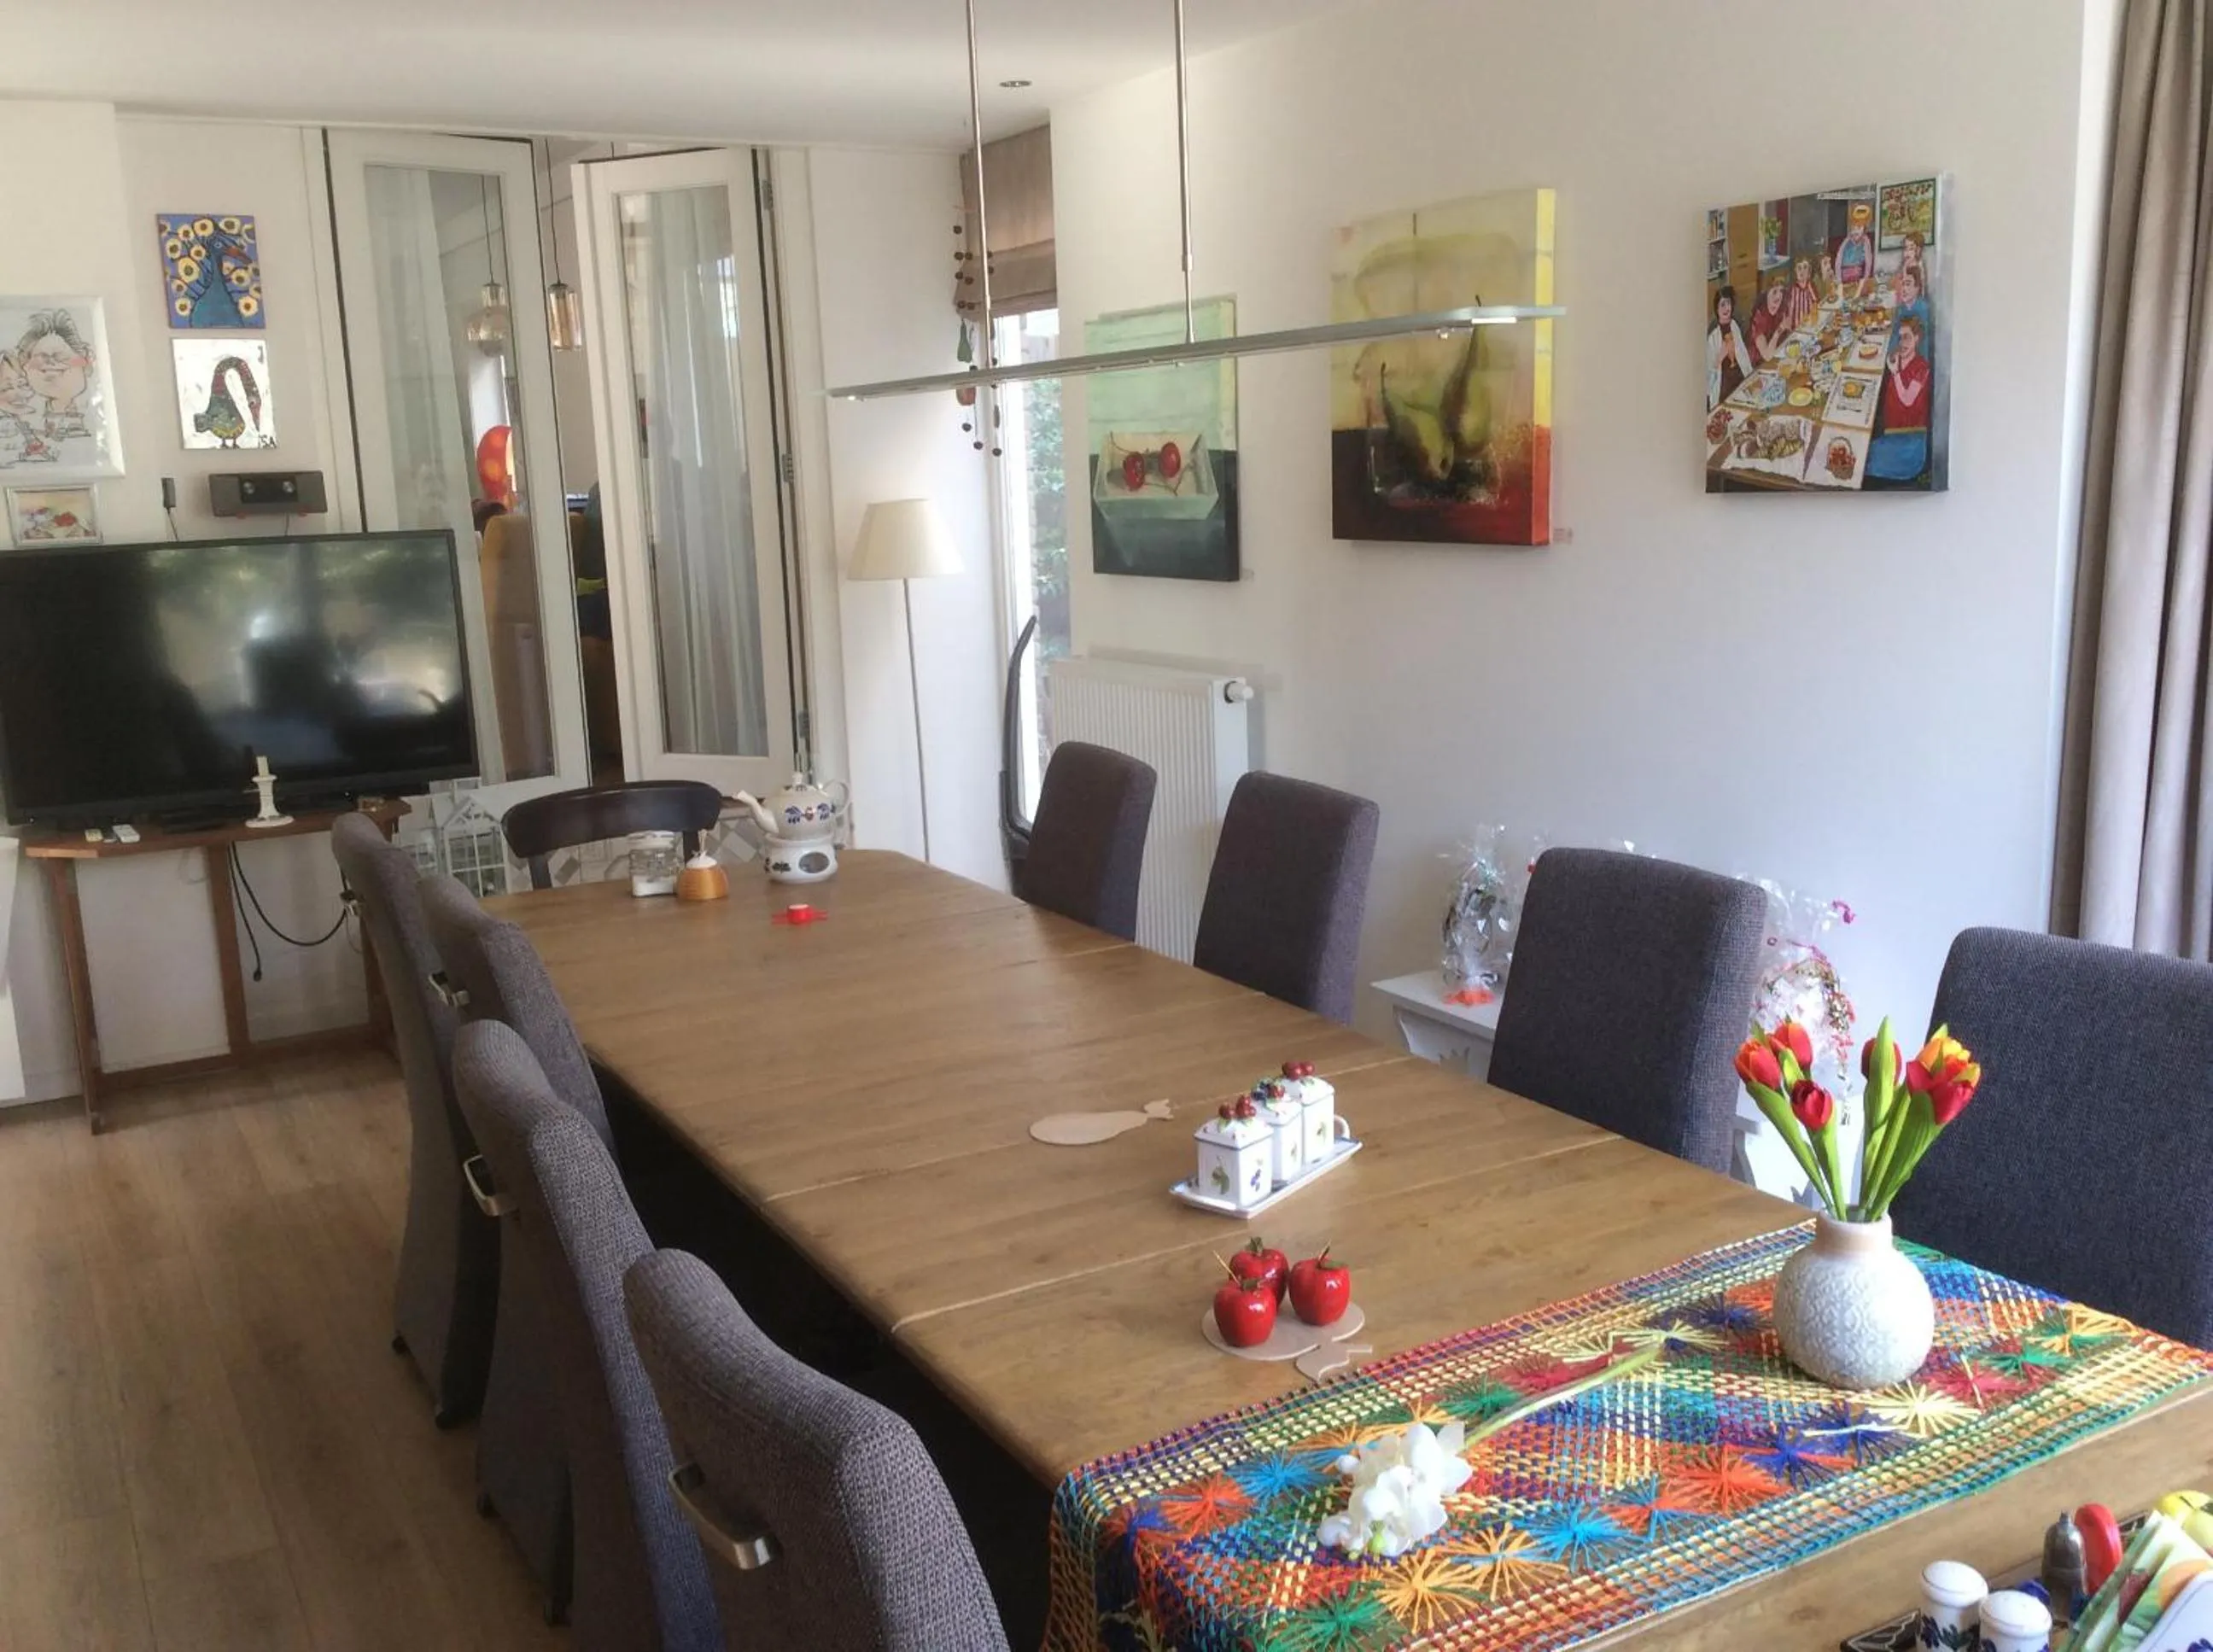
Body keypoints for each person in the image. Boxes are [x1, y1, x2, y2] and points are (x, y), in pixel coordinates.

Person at [1866, 313, 1933, 482]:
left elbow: (1907, 399)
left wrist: (1895, 372)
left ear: (1917, 339)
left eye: (1907, 337)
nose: (1902, 343)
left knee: (1862, 461)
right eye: (1900, 338)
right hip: (1891, 433)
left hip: (1908, 446)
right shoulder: (1898, 358)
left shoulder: (1922, 368)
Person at [1708, 285, 1754, 410]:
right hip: (1723, 390)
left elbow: (1744, 357)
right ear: (1716, 309)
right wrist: (1720, 358)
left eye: (1728, 303)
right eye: (1722, 305)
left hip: (1739, 382)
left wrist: (1751, 379)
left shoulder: (1734, 326)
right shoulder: (1713, 337)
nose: (1726, 308)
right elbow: (1708, 384)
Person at [1889, 265, 1933, 362]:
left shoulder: (1922, 309)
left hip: (1915, 363)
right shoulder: (1901, 308)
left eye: (1908, 284)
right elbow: (1895, 334)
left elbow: (1923, 346)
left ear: (1917, 287)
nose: (1903, 289)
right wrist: (1891, 354)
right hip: (1901, 356)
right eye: (1902, 284)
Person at [1837, 202, 1877, 300]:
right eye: (1853, 227)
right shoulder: (1846, 241)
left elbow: (1868, 264)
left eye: (1859, 228)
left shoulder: (1865, 241)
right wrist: (1839, 282)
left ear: (1864, 229)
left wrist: (1864, 281)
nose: (1855, 231)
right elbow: (1838, 261)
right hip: (1844, 281)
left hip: (1858, 281)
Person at [1749, 279, 1790, 363]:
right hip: (1760, 365)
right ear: (1766, 294)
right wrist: (1780, 329)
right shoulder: (1759, 318)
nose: (1777, 301)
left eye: (1780, 295)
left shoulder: (1781, 310)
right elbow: (1767, 356)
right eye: (1774, 292)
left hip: (1778, 356)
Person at [1784, 257, 1819, 333]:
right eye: (1799, 268)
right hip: (1794, 330)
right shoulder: (1791, 290)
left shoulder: (1811, 287)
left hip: (1809, 327)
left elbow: (1816, 303)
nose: (1802, 271)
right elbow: (1786, 311)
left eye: (1805, 268)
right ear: (1795, 271)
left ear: (1809, 272)